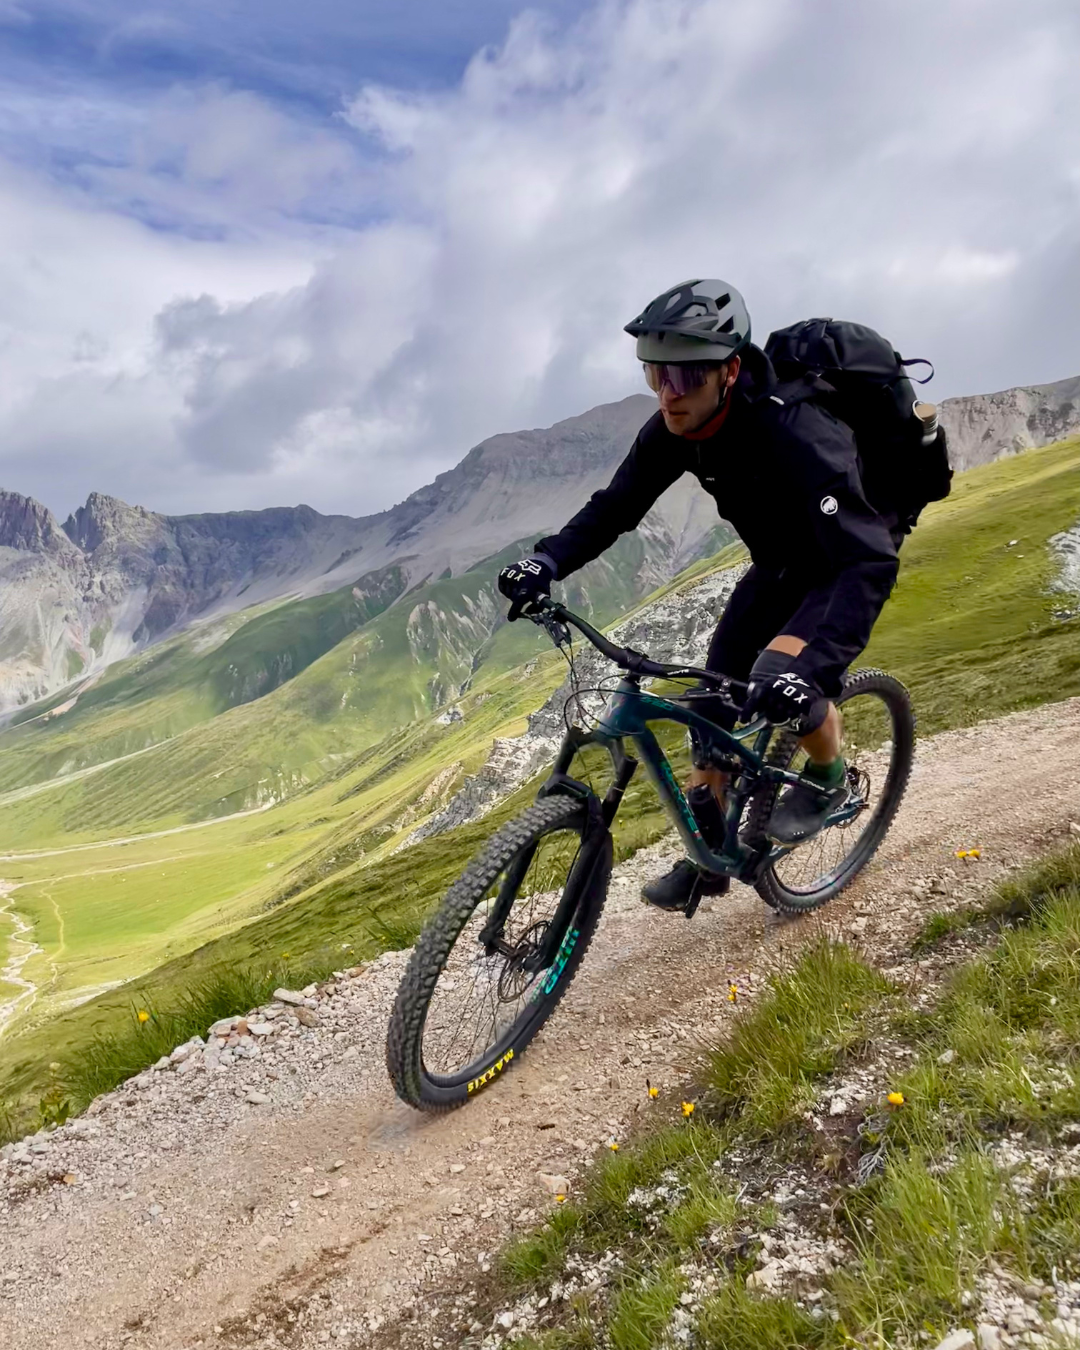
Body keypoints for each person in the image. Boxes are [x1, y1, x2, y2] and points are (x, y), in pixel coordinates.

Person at [498, 279, 910, 912]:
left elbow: (867, 560)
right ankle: (709, 856)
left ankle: (828, 780)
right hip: (778, 564)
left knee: (783, 677)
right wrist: (546, 560)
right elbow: (616, 508)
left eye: (686, 377)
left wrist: (813, 670)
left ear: (730, 370)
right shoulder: (673, 430)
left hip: (841, 560)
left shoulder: (797, 431)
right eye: (655, 374)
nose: (669, 393)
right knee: (712, 696)